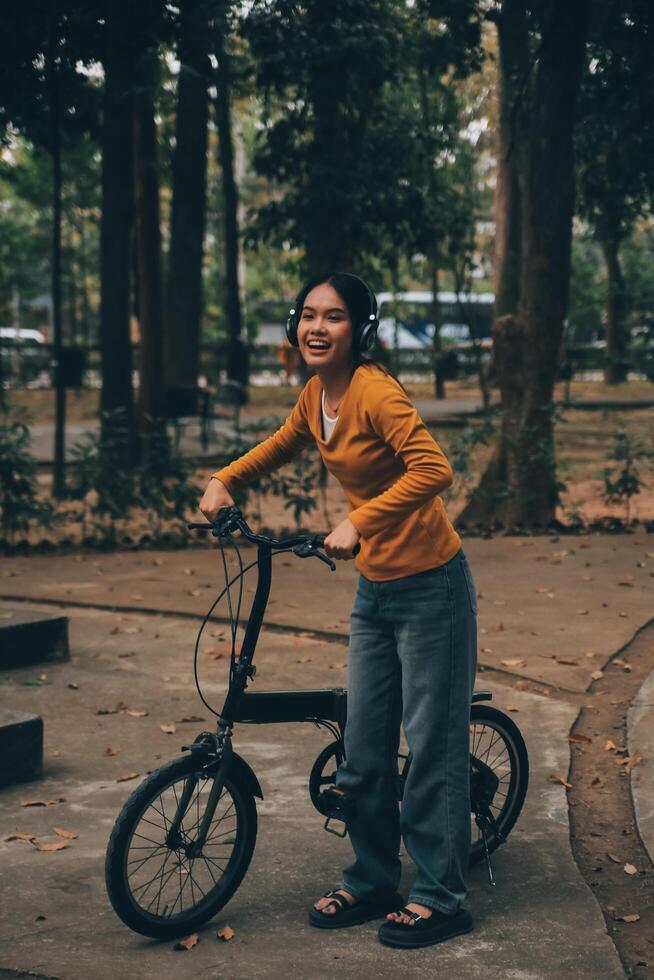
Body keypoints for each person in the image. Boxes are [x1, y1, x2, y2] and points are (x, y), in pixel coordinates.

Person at [199, 272, 478, 950]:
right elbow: (280, 445)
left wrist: (362, 520)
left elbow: (433, 470)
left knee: (432, 744)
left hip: (431, 586)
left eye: (335, 317)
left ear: (361, 330)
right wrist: (225, 478)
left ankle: (441, 896)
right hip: (374, 592)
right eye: (308, 316)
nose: (317, 327)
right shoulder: (315, 395)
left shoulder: (374, 391)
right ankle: (374, 879)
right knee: (362, 746)